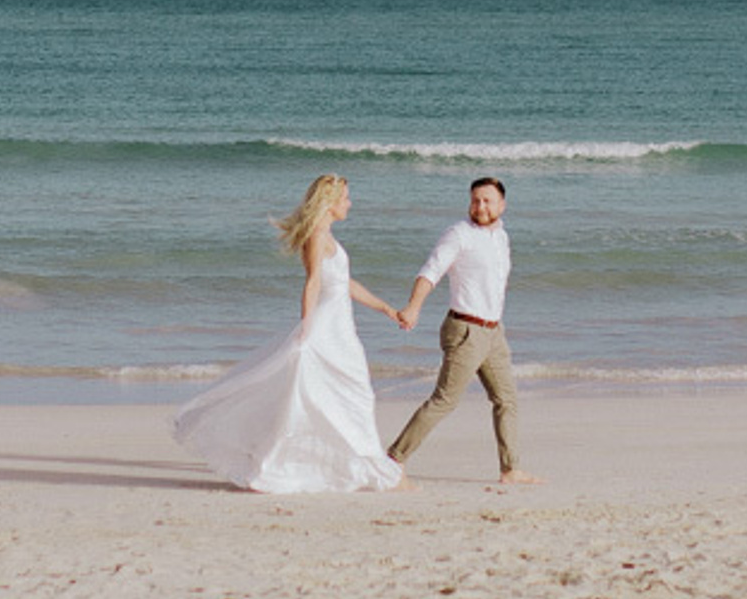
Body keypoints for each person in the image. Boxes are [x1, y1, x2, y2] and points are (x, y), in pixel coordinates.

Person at [173, 173, 408, 493]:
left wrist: (386, 309)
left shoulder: (328, 237)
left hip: (342, 328)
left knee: (352, 394)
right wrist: (306, 328)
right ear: (331, 202)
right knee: (336, 395)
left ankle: (360, 462)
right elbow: (313, 282)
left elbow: (344, 284)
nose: (350, 204)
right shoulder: (316, 236)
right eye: (346, 199)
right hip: (327, 327)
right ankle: (358, 464)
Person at [387, 175, 539, 485]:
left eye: (487, 201)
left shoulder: (502, 237)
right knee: (444, 400)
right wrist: (413, 306)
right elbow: (430, 271)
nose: (480, 206)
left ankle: (510, 470)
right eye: (475, 200)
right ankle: (393, 460)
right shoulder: (459, 234)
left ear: (502, 205)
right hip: (466, 330)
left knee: (506, 400)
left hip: (494, 332)